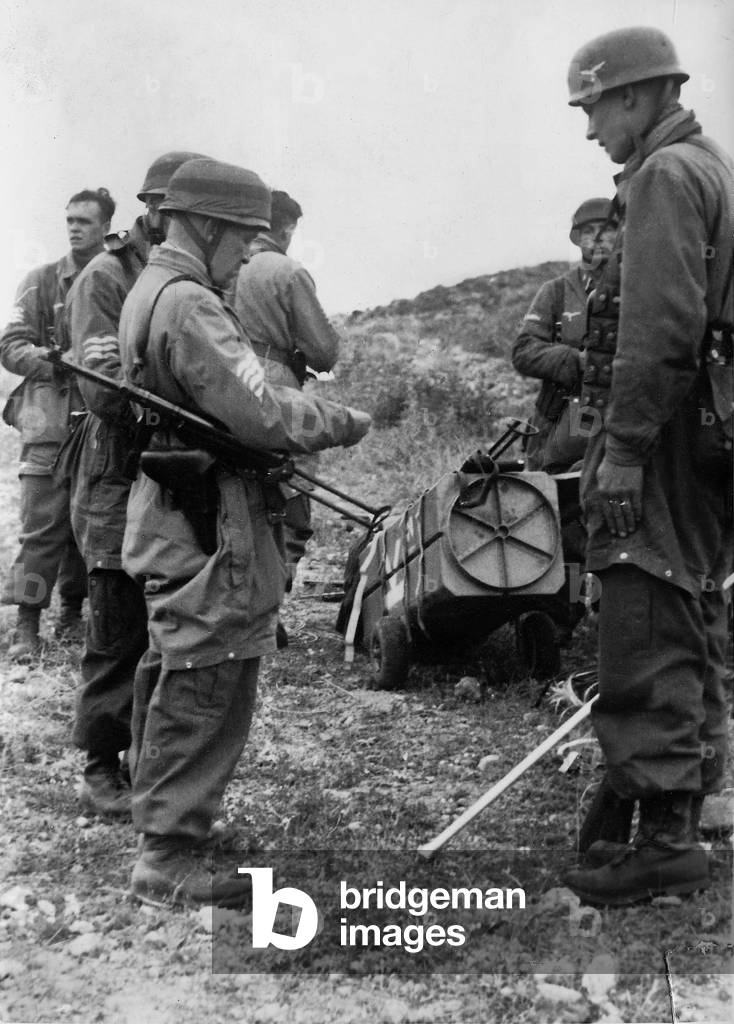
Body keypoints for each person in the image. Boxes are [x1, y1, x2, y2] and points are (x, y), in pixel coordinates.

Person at [118, 157, 370, 907]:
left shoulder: (150, 289)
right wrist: (341, 422)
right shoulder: (190, 303)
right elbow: (260, 413)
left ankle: (171, 826)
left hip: (179, 508)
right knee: (208, 669)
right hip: (210, 519)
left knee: (178, 665)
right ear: (205, 226)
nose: (250, 255)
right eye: (242, 239)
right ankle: (169, 856)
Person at [560, 27, 733, 906]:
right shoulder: (707, 165)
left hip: (662, 439)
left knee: (645, 615)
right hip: (701, 431)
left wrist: (622, 451)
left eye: (592, 107)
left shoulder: (667, 176)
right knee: (689, 607)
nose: (590, 129)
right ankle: (681, 807)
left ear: (633, 97)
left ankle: (664, 836)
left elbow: (660, 327)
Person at [63, 153, 205, 817]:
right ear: (150, 209)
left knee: (171, 630)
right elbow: (104, 396)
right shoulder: (107, 276)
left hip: (179, 476)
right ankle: (100, 765)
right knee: (117, 629)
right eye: (172, 211)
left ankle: (152, 761)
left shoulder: (197, 276)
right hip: (119, 475)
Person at [0, 188, 116, 659]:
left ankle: (73, 611)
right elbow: (9, 345)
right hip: (49, 417)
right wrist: (58, 362)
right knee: (41, 525)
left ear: (106, 226)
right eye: (70, 219)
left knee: (91, 520)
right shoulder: (41, 280)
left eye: (85, 221)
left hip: (101, 418)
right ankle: (26, 624)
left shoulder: (120, 279)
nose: (74, 227)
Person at [232, 189, 342, 639]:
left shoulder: (222, 267)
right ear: (287, 227)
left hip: (222, 380)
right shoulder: (286, 270)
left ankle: (237, 605)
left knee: (240, 495)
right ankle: (268, 611)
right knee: (292, 498)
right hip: (275, 385)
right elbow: (324, 351)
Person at [512, 198, 616, 473]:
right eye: (588, 232)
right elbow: (524, 350)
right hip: (560, 424)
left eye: (607, 230)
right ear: (578, 239)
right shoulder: (556, 292)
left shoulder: (635, 290)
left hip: (617, 424)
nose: (598, 239)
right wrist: (576, 361)